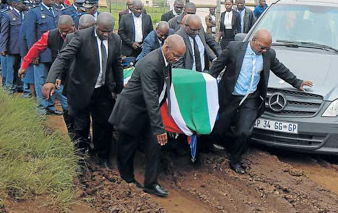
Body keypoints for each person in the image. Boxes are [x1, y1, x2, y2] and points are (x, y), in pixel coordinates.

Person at [208, 29, 313, 174]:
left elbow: (280, 69)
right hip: (230, 96)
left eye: (267, 48)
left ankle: (235, 160)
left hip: (250, 98)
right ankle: (205, 148)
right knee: (219, 127)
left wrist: (297, 82)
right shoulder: (234, 48)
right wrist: (205, 83)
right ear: (254, 40)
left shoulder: (268, 54)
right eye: (262, 47)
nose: (264, 50)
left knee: (244, 132)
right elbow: (217, 67)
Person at [42, 13, 123, 166]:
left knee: (104, 125)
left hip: (103, 90)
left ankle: (102, 156)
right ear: (96, 26)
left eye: (109, 31)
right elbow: (63, 58)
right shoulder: (80, 37)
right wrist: (50, 80)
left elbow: (117, 65)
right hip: (80, 89)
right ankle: (80, 159)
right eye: (102, 31)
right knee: (80, 126)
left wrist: (118, 89)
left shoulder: (115, 40)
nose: (105, 35)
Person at [109, 35, 186, 196]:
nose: (178, 59)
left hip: (147, 112)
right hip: (131, 111)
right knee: (127, 148)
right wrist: (159, 128)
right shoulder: (150, 64)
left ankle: (151, 183)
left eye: (180, 57)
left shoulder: (165, 60)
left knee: (155, 146)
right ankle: (127, 180)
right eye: (176, 56)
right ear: (166, 48)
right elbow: (151, 98)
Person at [19, 15, 76, 134]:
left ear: (74, 26)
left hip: (77, 74)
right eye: (62, 31)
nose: (65, 34)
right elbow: (36, 49)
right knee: (67, 105)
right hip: (59, 74)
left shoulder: (82, 36)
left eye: (68, 31)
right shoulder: (50, 35)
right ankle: (73, 132)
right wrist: (24, 65)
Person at [25, 0, 62, 115]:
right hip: (40, 54)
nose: (53, 1)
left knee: (52, 80)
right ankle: (42, 107)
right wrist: (33, 55)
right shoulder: (34, 12)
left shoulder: (58, 12)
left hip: (54, 55)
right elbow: (30, 35)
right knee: (40, 80)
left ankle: (51, 106)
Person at [0, 0, 28, 93]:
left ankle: (18, 86)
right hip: (12, 48)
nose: (24, 4)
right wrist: (3, 48)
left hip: (23, 48)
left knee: (21, 68)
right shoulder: (8, 15)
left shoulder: (26, 14)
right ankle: (9, 88)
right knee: (10, 69)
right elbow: (4, 33)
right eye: (21, 2)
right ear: (15, 4)